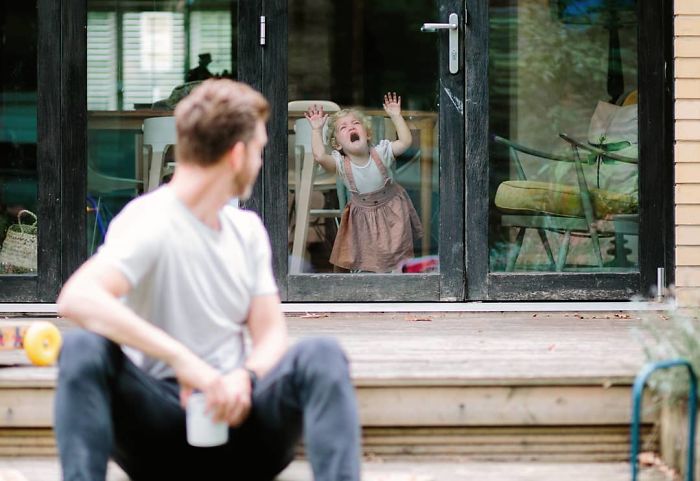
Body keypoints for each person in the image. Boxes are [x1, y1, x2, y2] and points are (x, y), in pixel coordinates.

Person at [55, 79, 361, 481]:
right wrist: (186, 363)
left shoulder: (247, 229)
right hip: (160, 430)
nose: (260, 162)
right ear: (237, 155)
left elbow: (270, 336)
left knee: (322, 355)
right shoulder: (149, 219)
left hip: (241, 426)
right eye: (259, 151)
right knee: (81, 349)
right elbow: (77, 298)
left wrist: (243, 377)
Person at [305, 93, 423, 273]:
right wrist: (316, 130)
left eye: (356, 124)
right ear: (337, 145)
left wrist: (396, 116)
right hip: (362, 216)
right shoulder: (340, 164)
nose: (351, 127)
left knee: (397, 253)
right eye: (343, 127)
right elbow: (320, 156)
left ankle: (399, 283)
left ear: (367, 134)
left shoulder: (381, 152)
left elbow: (406, 142)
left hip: (392, 211)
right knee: (365, 257)